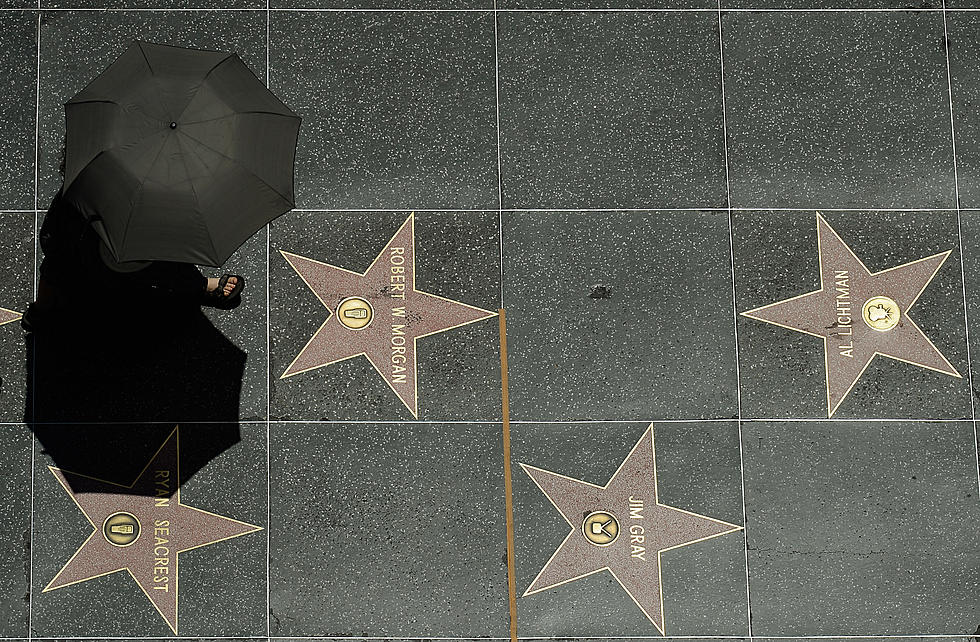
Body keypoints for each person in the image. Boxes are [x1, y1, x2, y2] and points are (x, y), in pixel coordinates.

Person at [22, 190, 245, 332]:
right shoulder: (70, 212)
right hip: (91, 266)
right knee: (162, 267)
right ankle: (44, 311)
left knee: (161, 258)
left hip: (130, 256)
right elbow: (53, 261)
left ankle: (42, 312)